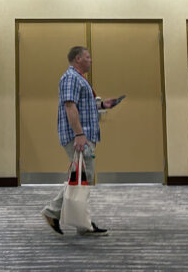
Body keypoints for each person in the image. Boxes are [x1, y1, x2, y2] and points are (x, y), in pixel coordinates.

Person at [41, 46, 118, 236]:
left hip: (85, 135)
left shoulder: (80, 79)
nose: (91, 60)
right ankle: (55, 214)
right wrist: (79, 134)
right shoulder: (70, 78)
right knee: (82, 179)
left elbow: (82, 105)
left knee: (80, 179)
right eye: (88, 57)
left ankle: (81, 223)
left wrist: (101, 104)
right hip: (78, 137)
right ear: (78, 59)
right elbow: (70, 106)